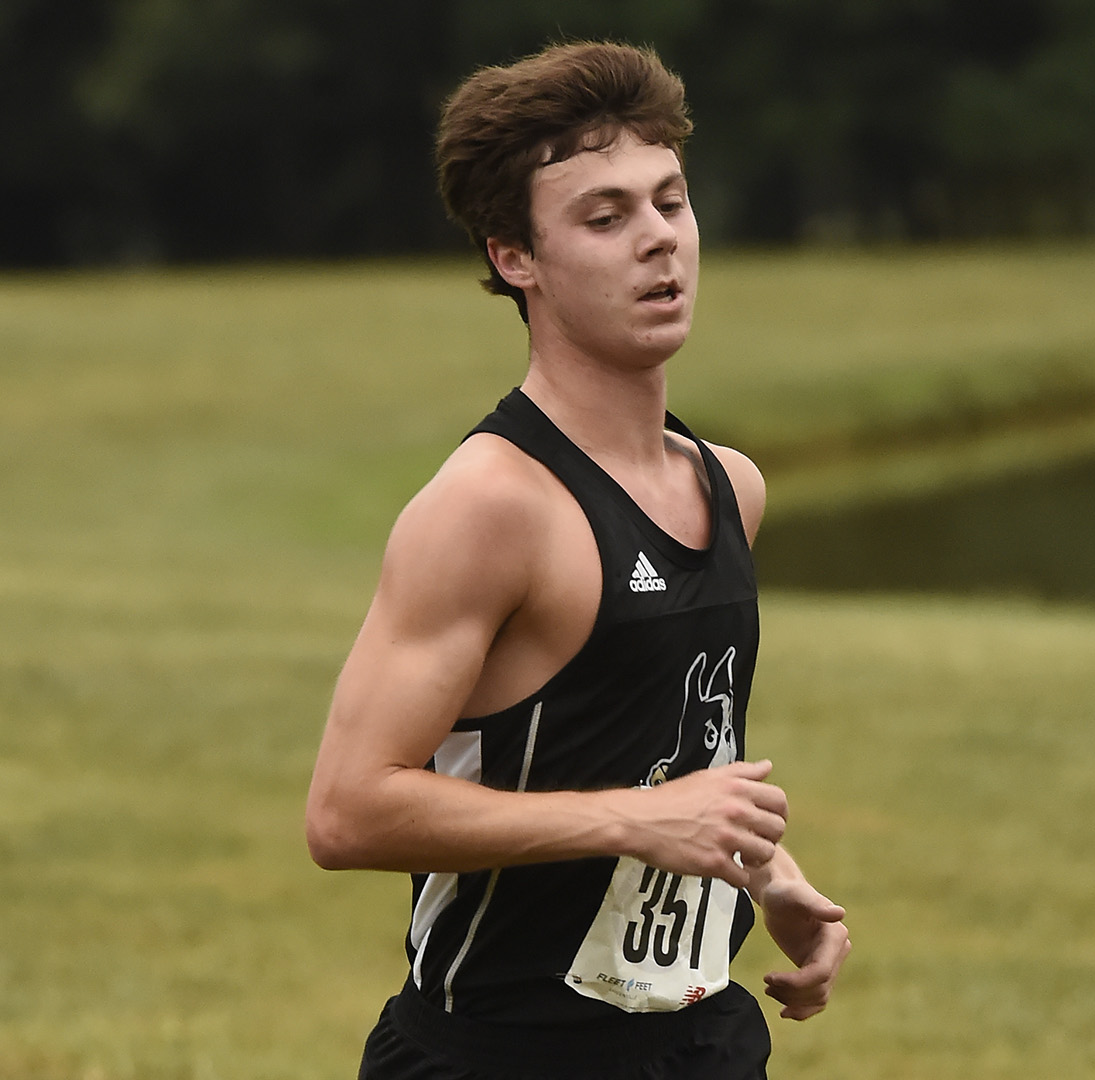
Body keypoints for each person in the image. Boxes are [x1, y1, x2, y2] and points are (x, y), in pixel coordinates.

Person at [305, 41, 850, 1080]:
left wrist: (765, 870)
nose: (660, 242)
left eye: (672, 202)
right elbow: (348, 809)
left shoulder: (729, 487)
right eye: (605, 219)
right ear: (516, 257)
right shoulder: (488, 508)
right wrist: (639, 822)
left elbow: (662, 753)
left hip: (701, 1041)